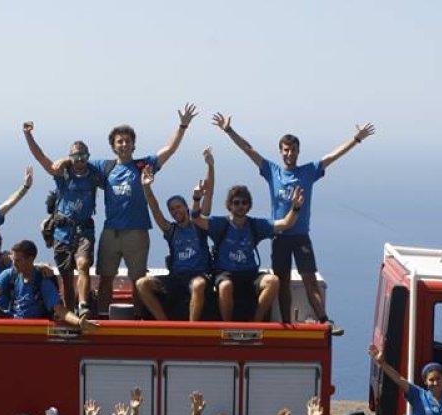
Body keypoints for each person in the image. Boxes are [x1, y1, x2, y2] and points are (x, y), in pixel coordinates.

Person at [212, 112, 375, 329]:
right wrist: (229, 130)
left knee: (309, 278)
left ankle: (324, 319)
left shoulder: (308, 172)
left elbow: (332, 156)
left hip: (301, 237)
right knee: (283, 282)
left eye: (293, 150)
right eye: (286, 150)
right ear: (281, 152)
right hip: (279, 236)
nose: (289, 154)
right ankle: (287, 324)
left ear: (298, 151)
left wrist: (356, 139)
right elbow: (248, 149)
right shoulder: (273, 171)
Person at [79, 105, 196, 315]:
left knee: (138, 280)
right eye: (119, 141)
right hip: (111, 232)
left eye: (127, 141)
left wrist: (182, 126)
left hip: (137, 233)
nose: (124, 144)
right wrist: (61, 163)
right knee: (105, 279)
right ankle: (104, 318)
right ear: (113, 146)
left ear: (133, 144)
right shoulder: (104, 167)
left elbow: (168, 150)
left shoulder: (144, 165)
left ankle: (137, 318)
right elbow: (76, 160)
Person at [190, 183, 305, 322]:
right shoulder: (220, 224)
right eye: (236, 202)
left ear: (248, 205)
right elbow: (196, 219)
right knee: (225, 286)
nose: (240, 205)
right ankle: (227, 325)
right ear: (230, 205)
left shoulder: (255, 225)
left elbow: (286, 224)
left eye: (244, 202)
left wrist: (296, 207)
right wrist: (196, 199)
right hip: (226, 273)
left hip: (249, 274)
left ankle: (256, 322)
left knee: (273, 281)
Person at [23, 122, 103, 316]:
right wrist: (28, 135)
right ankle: (70, 313)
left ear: (88, 156)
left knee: (83, 264)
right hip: (61, 231)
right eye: (75, 156)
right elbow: (42, 159)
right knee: (66, 277)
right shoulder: (63, 174)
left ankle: (83, 306)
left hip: (84, 229)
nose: (80, 160)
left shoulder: (94, 175)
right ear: (70, 157)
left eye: (83, 156)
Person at [137, 151, 213, 322]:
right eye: (172, 209)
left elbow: (208, 195)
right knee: (142, 284)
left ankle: (191, 329)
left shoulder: (199, 225)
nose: (175, 211)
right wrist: (146, 187)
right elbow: (155, 209)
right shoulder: (171, 230)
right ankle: (164, 324)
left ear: (186, 207)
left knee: (199, 285)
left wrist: (210, 166)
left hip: (198, 276)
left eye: (179, 207)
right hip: (176, 278)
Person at [0, 239, 94, 330]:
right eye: (14, 260)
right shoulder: (9, 274)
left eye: (18, 260)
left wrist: (79, 322)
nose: (15, 264)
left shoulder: (41, 280)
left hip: (34, 328)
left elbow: (59, 309)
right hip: (13, 322)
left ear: (30, 259)